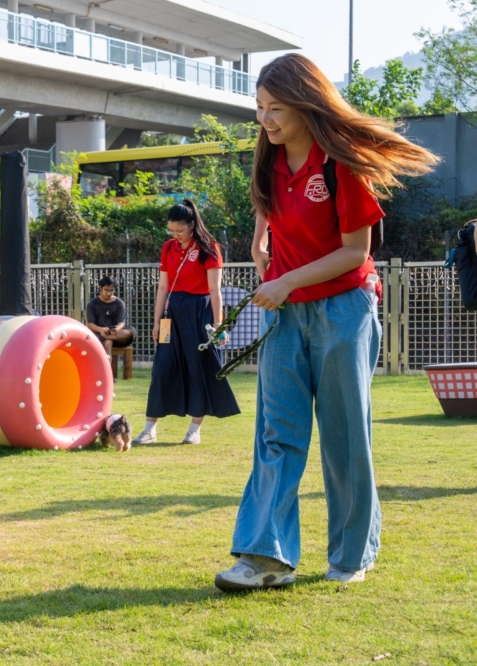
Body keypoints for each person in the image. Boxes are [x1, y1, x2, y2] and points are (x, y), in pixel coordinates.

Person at [214, 54, 438, 591]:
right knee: (276, 433)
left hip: (344, 308)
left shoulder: (342, 163)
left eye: (277, 109)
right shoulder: (268, 160)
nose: (266, 120)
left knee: (344, 436)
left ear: (306, 104)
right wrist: (260, 237)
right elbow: (268, 204)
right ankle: (264, 558)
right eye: (260, 108)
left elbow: (355, 251)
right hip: (285, 314)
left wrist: (287, 281)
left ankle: (352, 553)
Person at [134, 200, 240, 446]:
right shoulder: (169, 248)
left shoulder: (209, 248)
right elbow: (163, 286)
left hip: (199, 312)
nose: (176, 235)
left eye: (179, 230)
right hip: (171, 315)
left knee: (198, 368)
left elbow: (215, 291)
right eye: (171, 231)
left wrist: (218, 325)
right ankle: (150, 428)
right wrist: (157, 321)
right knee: (161, 367)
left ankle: (194, 429)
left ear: (192, 224)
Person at [85, 276, 135, 362]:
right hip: (99, 334)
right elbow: (90, 324)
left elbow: (121, 322)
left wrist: (117, 329)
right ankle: (107, 372)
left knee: (130, 332)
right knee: (107, 342)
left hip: (116, 335)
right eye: (106, 290)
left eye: (111, 290)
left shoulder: (119, 303)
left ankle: (107, 336)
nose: (109, 293)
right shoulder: (92, 304)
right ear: (100, 288)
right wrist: (100, 330)